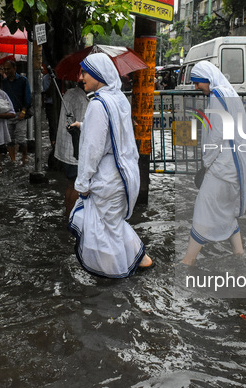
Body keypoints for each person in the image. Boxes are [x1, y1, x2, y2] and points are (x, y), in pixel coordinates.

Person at [68, 53, 153, 278]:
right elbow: (113, 130)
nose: (81, 77)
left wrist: (83, 183)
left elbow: (92, 150)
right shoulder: (119, 99)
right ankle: (141, 258)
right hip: (125, 176)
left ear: (98, 75)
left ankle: (115, 277)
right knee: (112, 224)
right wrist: (84, 125)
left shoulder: (98, 104)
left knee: (104, 231)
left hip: (107, 179)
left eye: (85, 72)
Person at [180, 61, 246, 266]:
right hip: (236, 165)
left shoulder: (217, 96)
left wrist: (206, 163)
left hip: (223, 165)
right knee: (227, 209)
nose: (196, 88)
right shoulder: (229, 93)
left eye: (197, 83)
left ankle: (188, 260)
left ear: (208, 79)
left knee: (204, 207)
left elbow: (216, 135)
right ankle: (239, 254)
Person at [54, 80, 89, 218]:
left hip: (65, 148)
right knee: (77, 185)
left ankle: (68, 214)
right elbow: (82, 125)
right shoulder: (82, 101)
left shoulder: (69, 93)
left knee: (70, 184)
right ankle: (72, 218)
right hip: (75, 150)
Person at [1, 59, 32, 164]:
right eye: (4, 69)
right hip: (8, 113)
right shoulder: (3, 82)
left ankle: (24, 157)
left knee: (21, 138)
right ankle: (12, 160)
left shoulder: (23, 80)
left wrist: (23, 111)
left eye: (8, 69)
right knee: (9, 139)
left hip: (20, 113)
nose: (6, 71)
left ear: (15, 69)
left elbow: (27, 97)